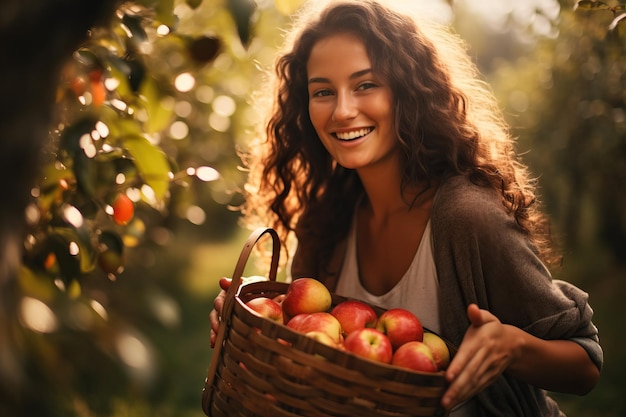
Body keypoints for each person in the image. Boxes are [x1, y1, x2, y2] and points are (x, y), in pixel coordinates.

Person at [209, 0, 603, 415]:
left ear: (407, 92)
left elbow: (585, 364)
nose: (343, 111)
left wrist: (513, 348)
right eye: (323, 91)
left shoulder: (467, 217)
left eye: (365, 85)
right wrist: (255, 314)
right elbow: (308, 352)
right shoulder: (325, 223)